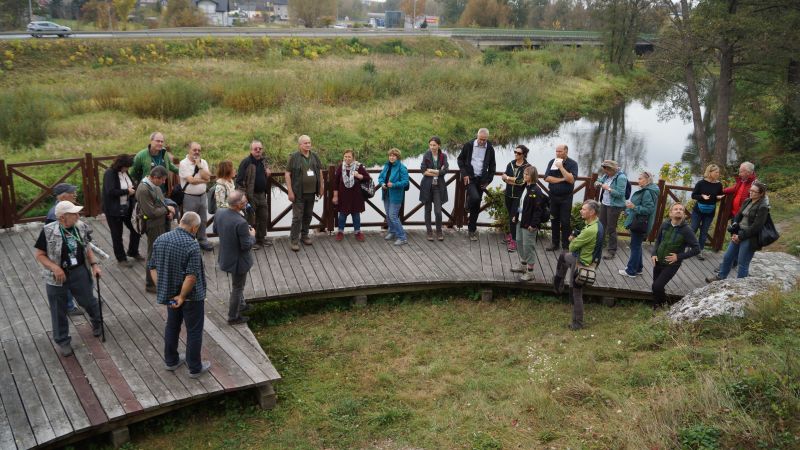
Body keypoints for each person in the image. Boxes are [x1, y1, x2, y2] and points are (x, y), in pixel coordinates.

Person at [34, 201, 104, 357]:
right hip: (56, 276)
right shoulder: (48, 231)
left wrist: (94, 265)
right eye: (74, 214)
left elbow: (86, 247)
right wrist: (55, 267)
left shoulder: (81, 227)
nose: (78, 216)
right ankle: (63, 341)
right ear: (62, 217)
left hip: (78, 270)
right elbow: (39, 255)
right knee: (58, 309)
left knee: (88, 301)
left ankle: (97, 321)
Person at [148, 211, 210, 378]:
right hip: (190, 297)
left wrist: (162, 287)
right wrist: (182, 296)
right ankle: (195, 368)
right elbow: (191, 276)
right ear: (194, 227)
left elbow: (152, 267)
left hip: (169, 295)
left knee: (172, 326)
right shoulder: (191, 245)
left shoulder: (160, 239)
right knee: (194, 331)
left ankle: (171, 361)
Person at [552, 200, 602, 330]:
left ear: (592, 212)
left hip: (581, 263)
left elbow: (572, 247)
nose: (581, 211)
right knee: (563, 257)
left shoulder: (590, 231)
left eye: (584, 209)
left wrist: (572, 239)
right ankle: (558, 283)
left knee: (576, 293)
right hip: (585, 258)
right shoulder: (596, 224)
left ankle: (577, 323)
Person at [706, 181, 770, 282]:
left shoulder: (763, 207)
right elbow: (738, 215)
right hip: (739, 233)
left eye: (754, 191)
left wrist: (740, 236)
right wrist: (735, 225)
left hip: (750, 237)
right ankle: (720, 277)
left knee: (743, 262)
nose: (751, 192)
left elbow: (756, 227)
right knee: (728, 257)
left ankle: (740, 285)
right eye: (750, 190)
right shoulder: (748, 201)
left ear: (761, 194)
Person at [214, 190, 255, 325]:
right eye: (244, 202)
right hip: (238, 261)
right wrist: (252, 236)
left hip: (226, 256)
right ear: (238, 205)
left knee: (237, 285)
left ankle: (241, 305)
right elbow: (246, 246)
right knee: (238, 288)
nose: (246, 204)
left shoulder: (220, 212)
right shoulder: (241, 222)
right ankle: (233, 317)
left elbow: (215, 230)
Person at [651, 203, 700, 309]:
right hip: (658, 260)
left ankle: (665, 305)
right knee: (655, 286)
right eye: (676, 209)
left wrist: (679, 257)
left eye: (681, 209)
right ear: (670, 213)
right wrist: (654, 254)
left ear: (684, 214)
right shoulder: (665, 224)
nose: (679, 211)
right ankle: (656, 305)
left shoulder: (687, 230)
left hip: (672, 264)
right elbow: (658, 240)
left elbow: (697, 249)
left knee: (657, 286)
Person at [135, 166, 175, 293]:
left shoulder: (154, 185)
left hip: (161, 222)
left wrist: (168, 212)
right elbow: (150, 212)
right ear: (154, 177)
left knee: (161, 252)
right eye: (162, 180)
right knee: (153, 254)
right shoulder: (143, 189)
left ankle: (160, 280)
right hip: (153, 225)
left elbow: (161, 202)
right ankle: (151, 284)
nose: (164, 182)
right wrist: (167, 209)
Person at [45, 183, 82, 316]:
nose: (75, 194)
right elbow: (52, 237)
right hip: (61, 253)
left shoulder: (64, 208)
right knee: (65, 278)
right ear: (64, 196)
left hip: (70, 248)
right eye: (73, 192)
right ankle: (69, 307)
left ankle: (83, 300)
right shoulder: (54, 213)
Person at [102, 154, 142, 267]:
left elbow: (130, 185)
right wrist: (127, 192)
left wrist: (134, 188)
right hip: (114, 210)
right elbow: (110, 191)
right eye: (126, 167)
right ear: (120, 165)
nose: (127, 169)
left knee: (136, 229)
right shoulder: (110, 173)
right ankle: (121, 258)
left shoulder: (124, 172)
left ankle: (133, 251)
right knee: (117, 234)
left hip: (128, 207)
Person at [285, 135, 324, 252]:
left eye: (309, 142)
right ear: (300, 145)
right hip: (298, 193)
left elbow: (320, 171)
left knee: (308, 215)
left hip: (312, 193)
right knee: (297, 218)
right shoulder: (294, 157)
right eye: (305, 143)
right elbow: (287, 174)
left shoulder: (315, 156)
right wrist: (290, 191)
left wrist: (321, 187)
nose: (308, 145)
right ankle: (294, 240)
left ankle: (305, 235)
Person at [457, 128, 496, 241]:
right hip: (470, 178)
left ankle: (471, 230)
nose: (482, 142)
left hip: (482, 180)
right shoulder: (469, 145)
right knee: (474, 197)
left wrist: (488, 180)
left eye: (484, 140)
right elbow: (460, 160)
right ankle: (467, 204)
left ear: (487, 138)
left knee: (477, 206)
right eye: (481, 139)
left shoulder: (490, 148)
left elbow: (492, 166)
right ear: (477, 136)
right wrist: (464, 174)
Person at [619, 171, 660, 278]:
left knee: (635, 247)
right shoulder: (648, 190)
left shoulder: (647, 192)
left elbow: (648, 209)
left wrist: (634, 207)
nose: (638, 181)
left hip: (640, 223)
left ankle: (631, 271)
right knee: (637, 246)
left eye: (640, 178)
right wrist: (628, 211)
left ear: (647, 180)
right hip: (639, 221)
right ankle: (639, 268)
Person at [511, 165, 548, 282]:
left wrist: (534, 224)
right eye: (524, 174)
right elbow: (520, 204)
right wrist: (516, 216)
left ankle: (530, 272)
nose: (524, 176)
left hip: (530, 224)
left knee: (529, 247)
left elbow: (538, 210)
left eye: (527, 174)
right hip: (520, 221)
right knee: (519, 242)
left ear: (532, 176)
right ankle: (523, 265)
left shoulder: (536, 190)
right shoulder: (524, 187)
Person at [235, 140, 272, 250]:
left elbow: (266, 171)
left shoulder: (263, 161)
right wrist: (243, 196)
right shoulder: (246, 162)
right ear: (251, 150)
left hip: (262, 194)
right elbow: (239, 181)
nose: (258, 151)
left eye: (260, 149)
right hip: (250, 196)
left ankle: (261, 238)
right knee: (250, 219)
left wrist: (268, 171)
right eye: (255, 149)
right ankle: (251, 241)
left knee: (263, 217)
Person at [179, 142, 213, 251]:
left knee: (203, 220)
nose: (197, 152)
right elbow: (191, 180)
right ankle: (187, 242)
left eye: (199, 150)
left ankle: (202, 240)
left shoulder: (203, 162)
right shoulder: (183, 163)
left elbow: (208, 177)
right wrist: (204, 180)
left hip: (203, 196)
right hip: (189, 197)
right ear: (189, 150)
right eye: (194, 150)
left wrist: (199, 166)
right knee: (189, 221)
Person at [544, 144, 578, 252]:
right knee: (554, 220)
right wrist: (562, 179)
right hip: (553, 196)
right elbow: (547, 178)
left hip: (566, 198)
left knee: (565, 222)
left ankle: (565, 245)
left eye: (560, 151)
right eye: (556, 151)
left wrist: (561, 167)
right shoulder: (551, 162)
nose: (557, 153)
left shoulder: (572, 164)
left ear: (566, 152)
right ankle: (555, 243)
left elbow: (571, 180)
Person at [332, 149, 370, 242]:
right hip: (343, 196)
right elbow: (336, 182)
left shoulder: (358, 166)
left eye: (349, 157)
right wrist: (335, 196)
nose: (347, 158)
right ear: (343, 157)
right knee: (342, 215)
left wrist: (359, 176)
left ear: (353, 158)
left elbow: (367, 178)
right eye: (345, 156)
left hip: (356, 196)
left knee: (356, 215)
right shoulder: (341, 167)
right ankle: (340, 232)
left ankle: (357, 232)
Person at [690, 164, 724, 260]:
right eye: (716, 172)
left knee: (704, 232)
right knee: (693, 229)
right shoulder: (701, 183)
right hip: (698, 211)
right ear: (710, 172)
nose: (718, 174)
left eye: (718, 172)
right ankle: (689, 247)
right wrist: (702, 196)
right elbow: (693, 195)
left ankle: (699, 251)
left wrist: (718, 198)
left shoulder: (719, 184)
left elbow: (719, 196)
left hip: (710, 212)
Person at [501, 145, 530, 252]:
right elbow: (504, 178)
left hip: (519, 197)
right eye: (515, 152)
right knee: (511, 216)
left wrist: (509, 178)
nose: (516, 154)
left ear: (523, 154)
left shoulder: (527, 166)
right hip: (508, 194)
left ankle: (514, 240)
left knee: (515, 217)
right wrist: (510, 179)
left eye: (518, 153)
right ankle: (512, 234)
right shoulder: (511, 164)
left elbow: (521, 182)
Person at [596, 160, 628, 260]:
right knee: (601, 226)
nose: (605, 172)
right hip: (605, 203)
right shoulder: (607, 175)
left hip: (614, 206)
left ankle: (612, 251)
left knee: (611, 228)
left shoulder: (621, 177)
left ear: (612, 169)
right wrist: (597, 183)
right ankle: (598, 246)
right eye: (604, 170)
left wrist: (608, 189)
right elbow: (600, 180)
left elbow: (620, 194)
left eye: (607, 170)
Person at [419, 136, 449, 241]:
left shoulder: (443, 156)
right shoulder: (426, 155)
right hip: (427, 186)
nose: (432, 147)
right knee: (427, 210)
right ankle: (429, 231)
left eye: (434, 145)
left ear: (439, 145)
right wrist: (436, 171)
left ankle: (439, 231)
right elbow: (423, 170)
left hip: (438, 186)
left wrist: (431, 171)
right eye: (430, 145)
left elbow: (446, 170)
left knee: (438, 211)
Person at [378, 148, 409, 246]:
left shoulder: (402, 167)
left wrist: (394, 184)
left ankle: (402, 237)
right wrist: (382, 183)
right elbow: (381, 177)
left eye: (394, 156)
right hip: (386, 194)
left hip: (396, 195)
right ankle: (392, 232)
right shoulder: (387, 166)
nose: (391, 157)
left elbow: (405, 182)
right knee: (388, 215)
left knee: (393, 216)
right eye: (390, 155)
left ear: (397, 157)